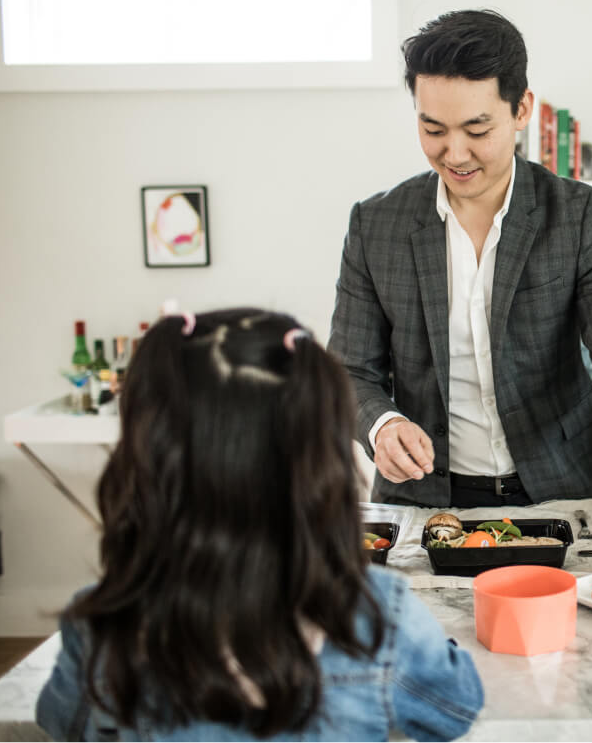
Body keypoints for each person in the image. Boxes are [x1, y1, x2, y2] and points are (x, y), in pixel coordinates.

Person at [327, 8, 592, 536]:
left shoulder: (577, 215)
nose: (454, 154)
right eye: (432, 129)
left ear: (522, 108)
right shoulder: (376, 224)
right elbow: (349, 371)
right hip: (429, 502)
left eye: (477, 128)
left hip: (572, 488)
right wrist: (382, 425)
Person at [36, 309, 483, 741]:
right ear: (319, 467)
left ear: (148, 464)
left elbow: (66, 727)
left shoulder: (101, 624)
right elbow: (455, 709)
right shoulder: (377, 616)